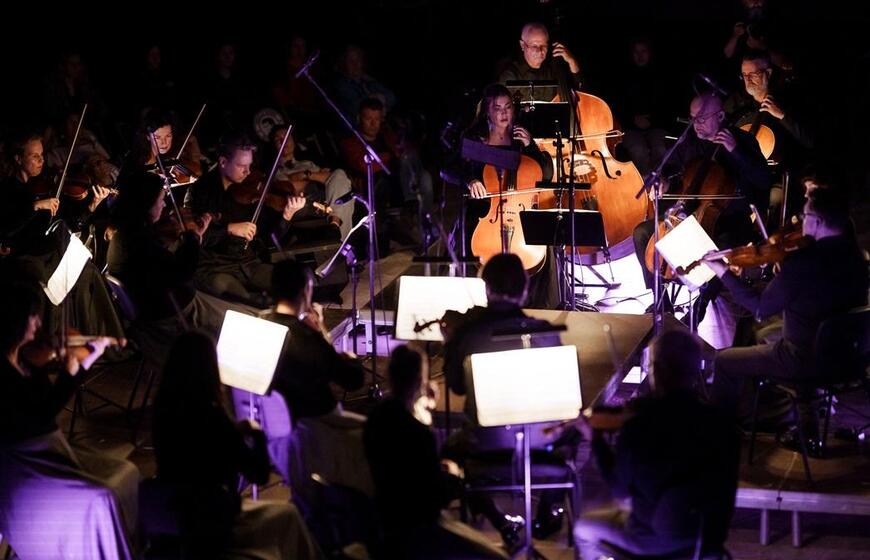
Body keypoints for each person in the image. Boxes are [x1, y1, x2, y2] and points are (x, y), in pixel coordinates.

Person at [708, 187, 868, 455]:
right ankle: (806, 427)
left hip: (803, 359)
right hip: (850, 359)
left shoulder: (803, 262)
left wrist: (724, 273)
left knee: (724, 360)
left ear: (818, 221)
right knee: (766, 333)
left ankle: (715, 436)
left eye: (805, 216)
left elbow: (760, 307)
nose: (801, 222)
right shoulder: (858, 257)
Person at [0, 270, 139, 558]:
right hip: (25, 469)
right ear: (14, 321)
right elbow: (41, 416)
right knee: (103, 496)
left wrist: (81, 362)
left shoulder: (23, 357)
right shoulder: (5, 376)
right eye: (33, 316)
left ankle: (120, 540)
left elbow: (45, 407)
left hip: (46, 450)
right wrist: (72, 370)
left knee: (127, 473)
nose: (39, 324)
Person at [152, 330, 320, 559]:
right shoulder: (213, 418)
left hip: (176, 511)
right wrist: (257, 435)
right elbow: (259, 474)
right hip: (213, 522)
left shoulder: (163, 409)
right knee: (289, 514)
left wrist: (233, 434)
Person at [574, 330, 740, 560]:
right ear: (695, 370)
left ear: (658, 370)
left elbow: (619, 490)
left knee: (583, 529)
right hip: (706, 542)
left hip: (654, 542)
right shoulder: (722, 425)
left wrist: (596, 440)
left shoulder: (640, 427)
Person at [442, 253, 570, 547]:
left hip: (485, 444)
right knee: (571, 439)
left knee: (448, 450)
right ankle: (547, 515)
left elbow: (456, 388)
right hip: (540, 442)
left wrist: (450, 344)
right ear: (524, 290)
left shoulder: (469, 333)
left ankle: (499, 521)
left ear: (486, 289)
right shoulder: (545, 333)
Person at [631, 93, 770, 316]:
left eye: (702, 119)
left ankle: (700, 307)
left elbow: (763, 179)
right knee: (642, 233)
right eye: (693, 118)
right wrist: (663, 181)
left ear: (720, 116)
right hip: (689, 216)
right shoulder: (690, 142)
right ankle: (661, 300)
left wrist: (735, 151)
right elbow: (671, 169)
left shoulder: (742, 141)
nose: (696, 124)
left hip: (730, 219)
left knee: (718, 247)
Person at [364, 345, 506, 559]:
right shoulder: (417, 431)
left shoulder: (376, 417)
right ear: (420, 381)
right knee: (496, 556)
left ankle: (499, 520)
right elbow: (435, 499)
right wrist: (453, 475)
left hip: (384, 521)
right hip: (417, 529)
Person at [106, 171, 256, 368]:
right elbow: (183, 272)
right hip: (176, 315)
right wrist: (193, 237)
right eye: (161, 200)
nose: (164, 205)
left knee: (242, 311)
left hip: (162, 312)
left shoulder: (125, 235)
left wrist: (190, 238)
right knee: (249, 321)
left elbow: (166, 268)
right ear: (146, 204)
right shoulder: (138, 243)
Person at [263, 259, 371, 509]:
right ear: (306, 291)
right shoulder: (305, 338)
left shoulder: (261, 324)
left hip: (274, 427)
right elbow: (352, 380)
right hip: (315, 427)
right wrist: (322, 330)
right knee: (380, 434)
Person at [1, 132, 123, 339]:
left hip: (50, 253)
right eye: (34, 156)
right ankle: (90, 337)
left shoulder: (43, 186)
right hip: (31, 260)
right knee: (86, 275)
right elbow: (7, 230)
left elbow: (69, 224)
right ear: (18, 158)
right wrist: (35, 206)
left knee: (89, 272)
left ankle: (99, 336)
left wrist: (92, 206)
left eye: (42, 155)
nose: (41, 161)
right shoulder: (8, 190)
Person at [462, 83, 557, 309]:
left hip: (520, 209)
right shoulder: (475, 137)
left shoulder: (521, 136)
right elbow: (453, 168)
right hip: (486, 209)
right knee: (466, 233)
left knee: (545, 239)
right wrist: (471, 180)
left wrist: (530, 145)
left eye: (508, 107)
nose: (504, 113)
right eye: (497, 108)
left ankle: (536, 306)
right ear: (487, 111)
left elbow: (546, 173)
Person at [184, 132, 305, 306]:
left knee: (297, 283)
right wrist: (229, 228)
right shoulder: (200, 191)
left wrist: (287, 215)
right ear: (223, 162)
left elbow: (270, 237)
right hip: (215, 268)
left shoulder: (250, 191)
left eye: (249, 165)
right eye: (241, 166)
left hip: (249, 265)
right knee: (244, 302)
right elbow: (194, 237)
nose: (248, 172)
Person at [271, 123, 354, 238]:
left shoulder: (307, 163)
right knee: (342, 198)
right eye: (277, 139)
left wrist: (304, 174)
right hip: (298, 205)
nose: (283, 141)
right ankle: (340, 238)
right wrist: (314, 177)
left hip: (322, 200)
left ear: (294, 141)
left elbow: (335, 178)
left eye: (286, 137)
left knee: (341, 177)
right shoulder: (274, 170)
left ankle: (335, 225)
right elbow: (292, 187)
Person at [498, 22, 581, 104]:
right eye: (534, 46)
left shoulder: (554, 69)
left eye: (543, 46)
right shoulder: (510, 75)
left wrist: (572, 62)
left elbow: (581, 91)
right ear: (522, 45)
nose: (539, 51)